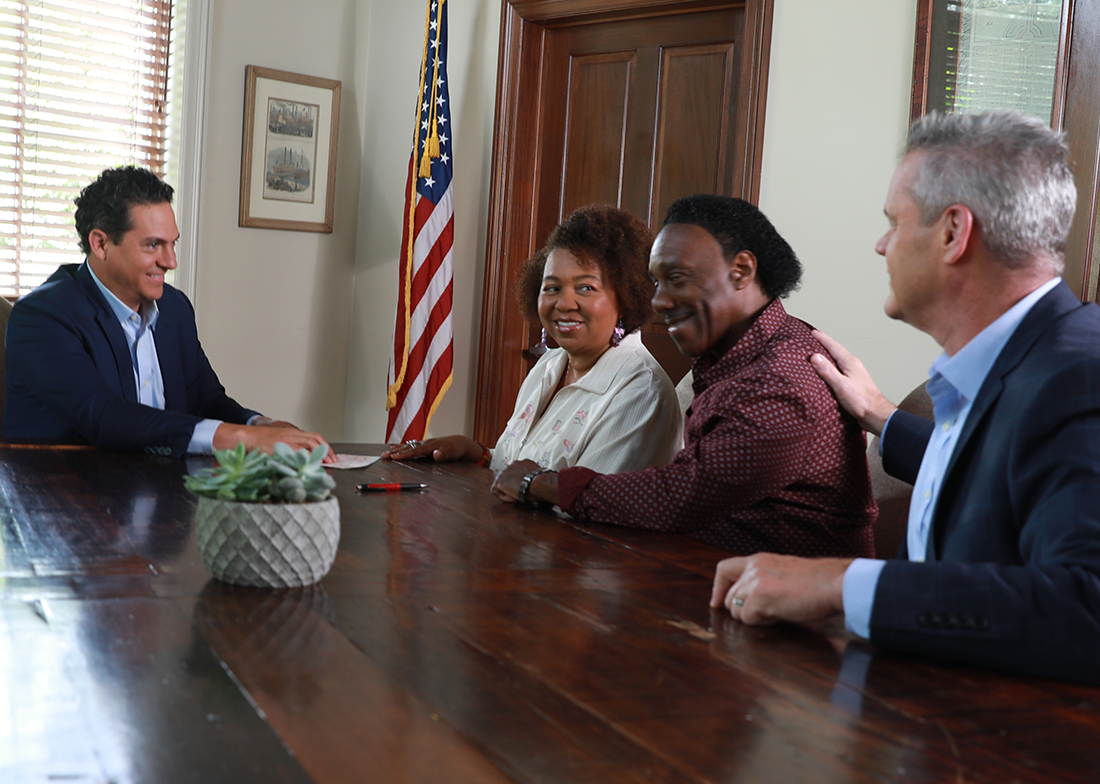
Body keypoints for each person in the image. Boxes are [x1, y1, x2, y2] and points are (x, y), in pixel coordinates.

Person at [711, 110, 1100, 686]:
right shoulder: (1032, 362)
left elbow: (1084, 608)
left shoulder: (1079, 378)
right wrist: (881, 417)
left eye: (894, 221)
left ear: (952, 233)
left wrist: (838, 583)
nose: (880, 244)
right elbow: (1004, 464)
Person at [492, 195, 877, 557]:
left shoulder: (783, 378)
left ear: (741, 270)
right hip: (714, 574)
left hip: (793, 607)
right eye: (657, 282)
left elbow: (683, 496)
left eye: (677, 278)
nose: (658, 301)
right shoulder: (736, 356)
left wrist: (540, 483)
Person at [4, 165, 332, 460]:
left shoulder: (174, 308)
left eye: (173, 243)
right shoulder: (43, 316)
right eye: (153, 245)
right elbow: (104, 417)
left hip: (159, 492)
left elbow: (206, 400)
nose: (171, 261)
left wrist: (262, 424)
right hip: (63, 503)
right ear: (101, 244)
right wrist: (244, 437)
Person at [385, 204, 682, 474]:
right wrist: (477, 453)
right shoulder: (550, 366)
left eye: (586, 288)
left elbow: (583, 503)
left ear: (626, 298)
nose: (564, 303)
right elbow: (527, 465)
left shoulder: (642, 392)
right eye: (552, 288)